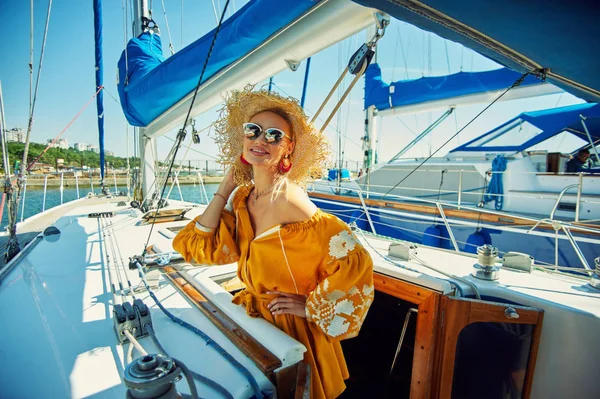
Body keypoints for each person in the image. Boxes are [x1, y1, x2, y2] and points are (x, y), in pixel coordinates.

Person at [172, 87, 374, 399]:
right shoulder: (243, 196)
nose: (261, 140)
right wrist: (225, 187)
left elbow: (355, 260)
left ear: (288, 149)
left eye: (274, 135)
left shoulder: (289, 199)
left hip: (292, 328)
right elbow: (197, 246)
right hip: (257, 320)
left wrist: (313, 306)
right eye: (252, 130)